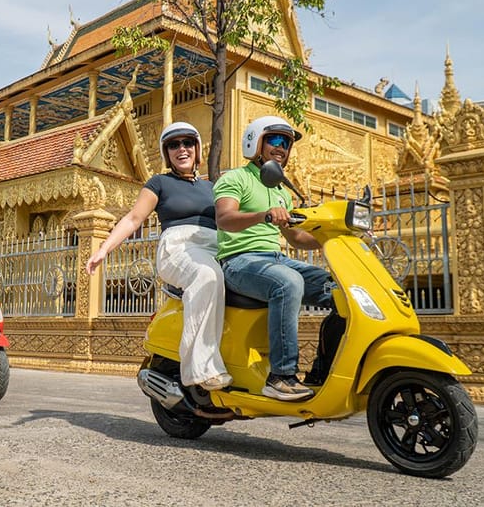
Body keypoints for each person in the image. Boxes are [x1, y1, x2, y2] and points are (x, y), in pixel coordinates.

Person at [86, 122, 232, 391]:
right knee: (207, 276)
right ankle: (199, 369)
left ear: (197, 149)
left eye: (187, 143)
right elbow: (133, 218)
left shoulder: (213, 187)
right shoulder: (160, 183)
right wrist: (104, 249)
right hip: (180, 248)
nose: (182, 149)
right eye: (173, 145)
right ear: (167, 153)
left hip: (215, 248)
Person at [214, 115, 340, 401]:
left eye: (286, 143)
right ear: (256, 142)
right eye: (275, 140)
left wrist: (335, 237)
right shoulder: (235, 178)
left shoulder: (281, 191)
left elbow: (296, 238)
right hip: (239, 261)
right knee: (289, 282)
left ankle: (322, 371)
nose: (281, 147)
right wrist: (264, 215)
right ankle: (280, 376)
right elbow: (225, 218)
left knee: (339, 289)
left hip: (274, 259)